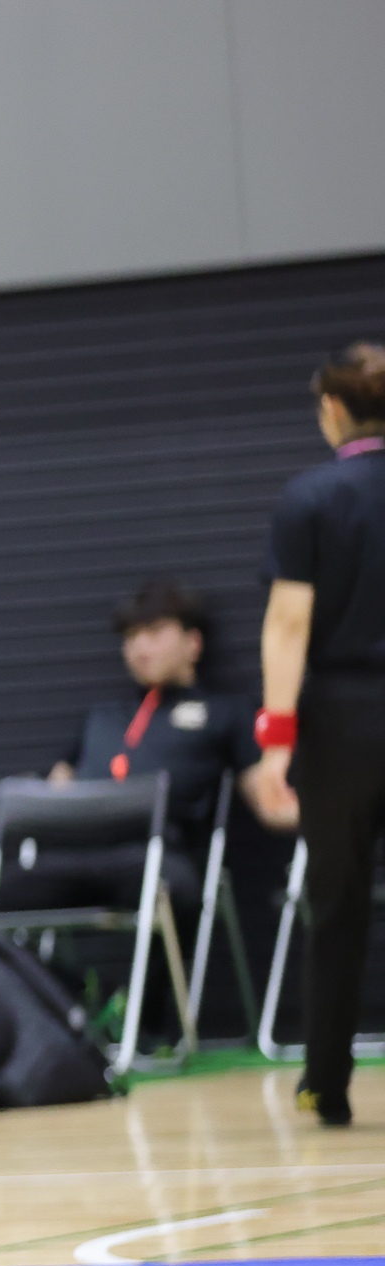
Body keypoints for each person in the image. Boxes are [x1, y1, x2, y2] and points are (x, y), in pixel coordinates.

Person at [259, 341, 385, 1129]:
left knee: (335, 903)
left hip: (341, 720)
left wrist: (277, 739)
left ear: (333, 409)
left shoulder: (309, 497)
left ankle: (327, 1083)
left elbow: (288, 624)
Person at [19, 579, 292, 913]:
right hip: (78, 853)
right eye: (131, 636)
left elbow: (270, 803)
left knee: (157, 880)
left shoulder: (225, 713)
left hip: (158, 853)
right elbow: (53, 793)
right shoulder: (103, 717)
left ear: (193, 642)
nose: (140, 647)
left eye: (155, 631)